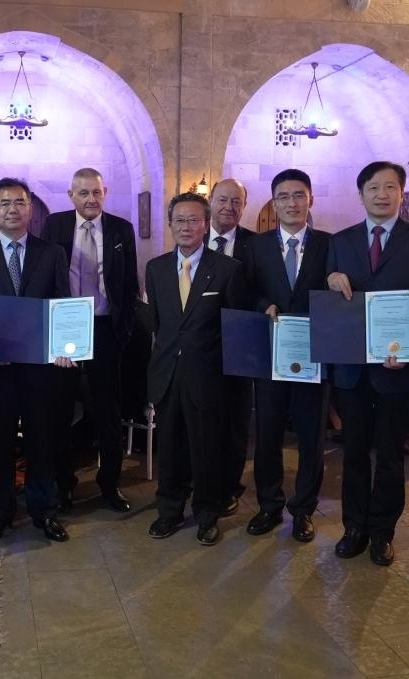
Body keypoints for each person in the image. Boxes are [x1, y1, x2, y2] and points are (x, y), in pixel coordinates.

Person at [326, 161, 409, 567]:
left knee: (391, 454)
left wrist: (408, 350)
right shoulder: (340, 241)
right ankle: (354, 527)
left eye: (390, 187)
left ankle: (382, 532)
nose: (382, 194)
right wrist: (331, 279)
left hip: (397, 364)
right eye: (373, 187)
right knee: (354, 452)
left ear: (401, 193)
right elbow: (331, 295)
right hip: (353, 366)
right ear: (361, 194)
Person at [0, 177, 71, 544]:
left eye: (19, 202)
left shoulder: (52, 253)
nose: (12, 209)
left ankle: (45, 511)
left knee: (42, 440)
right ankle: (1, 512)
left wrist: (65, 346)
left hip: (41, 369)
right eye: (4, 203)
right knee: (1, 442)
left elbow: (61, 303)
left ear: (31, 210)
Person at [145, 192, 248, 546]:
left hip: (208, 377)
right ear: (170, 224)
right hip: (167, 374)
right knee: (169, 448)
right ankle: (169, 511)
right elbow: (159, 323)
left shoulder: (228, 269)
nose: (186, 227)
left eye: (193, 220)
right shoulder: (156, 268)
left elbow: (234, 330)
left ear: (206, 224)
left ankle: (207, 515)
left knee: (206, 450)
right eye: (179, 220)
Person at [242, 169, 330, 543]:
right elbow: (246, 291)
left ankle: (304, 509)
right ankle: (269, 505)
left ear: (310, 199)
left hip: (313, 354)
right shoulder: (256, 246)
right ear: (274, 203)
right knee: (268, 433)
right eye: (283, 196)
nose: (291, 203)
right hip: (272, 354)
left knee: (311, 436)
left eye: (298, 195)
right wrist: (264, 304)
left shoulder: (330, 244)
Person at [45, 167, 138, 513]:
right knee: (61, 410)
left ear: (105, 193)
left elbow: (129, 284)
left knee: (108, 411)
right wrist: (52, 332)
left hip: (104, 327)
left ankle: (110, 485)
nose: (91, 199)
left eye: (96, 192)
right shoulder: (54, 225)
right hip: (66, 327)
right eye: (83, 193)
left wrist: (123, 329)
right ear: (71, 195)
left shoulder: (121, 229)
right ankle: (63, 485)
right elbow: (45, 276)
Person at [205, 178, 256, 513]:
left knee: (236, 421)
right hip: (200, 346)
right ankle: (201, 479)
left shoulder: (256, 245)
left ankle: (229, 487)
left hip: (240, 346)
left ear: (244, 205)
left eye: (236, 201)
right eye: (222, 199)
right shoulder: (193, 237)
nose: (229, 207)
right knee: (202, 418)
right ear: (210, 200)